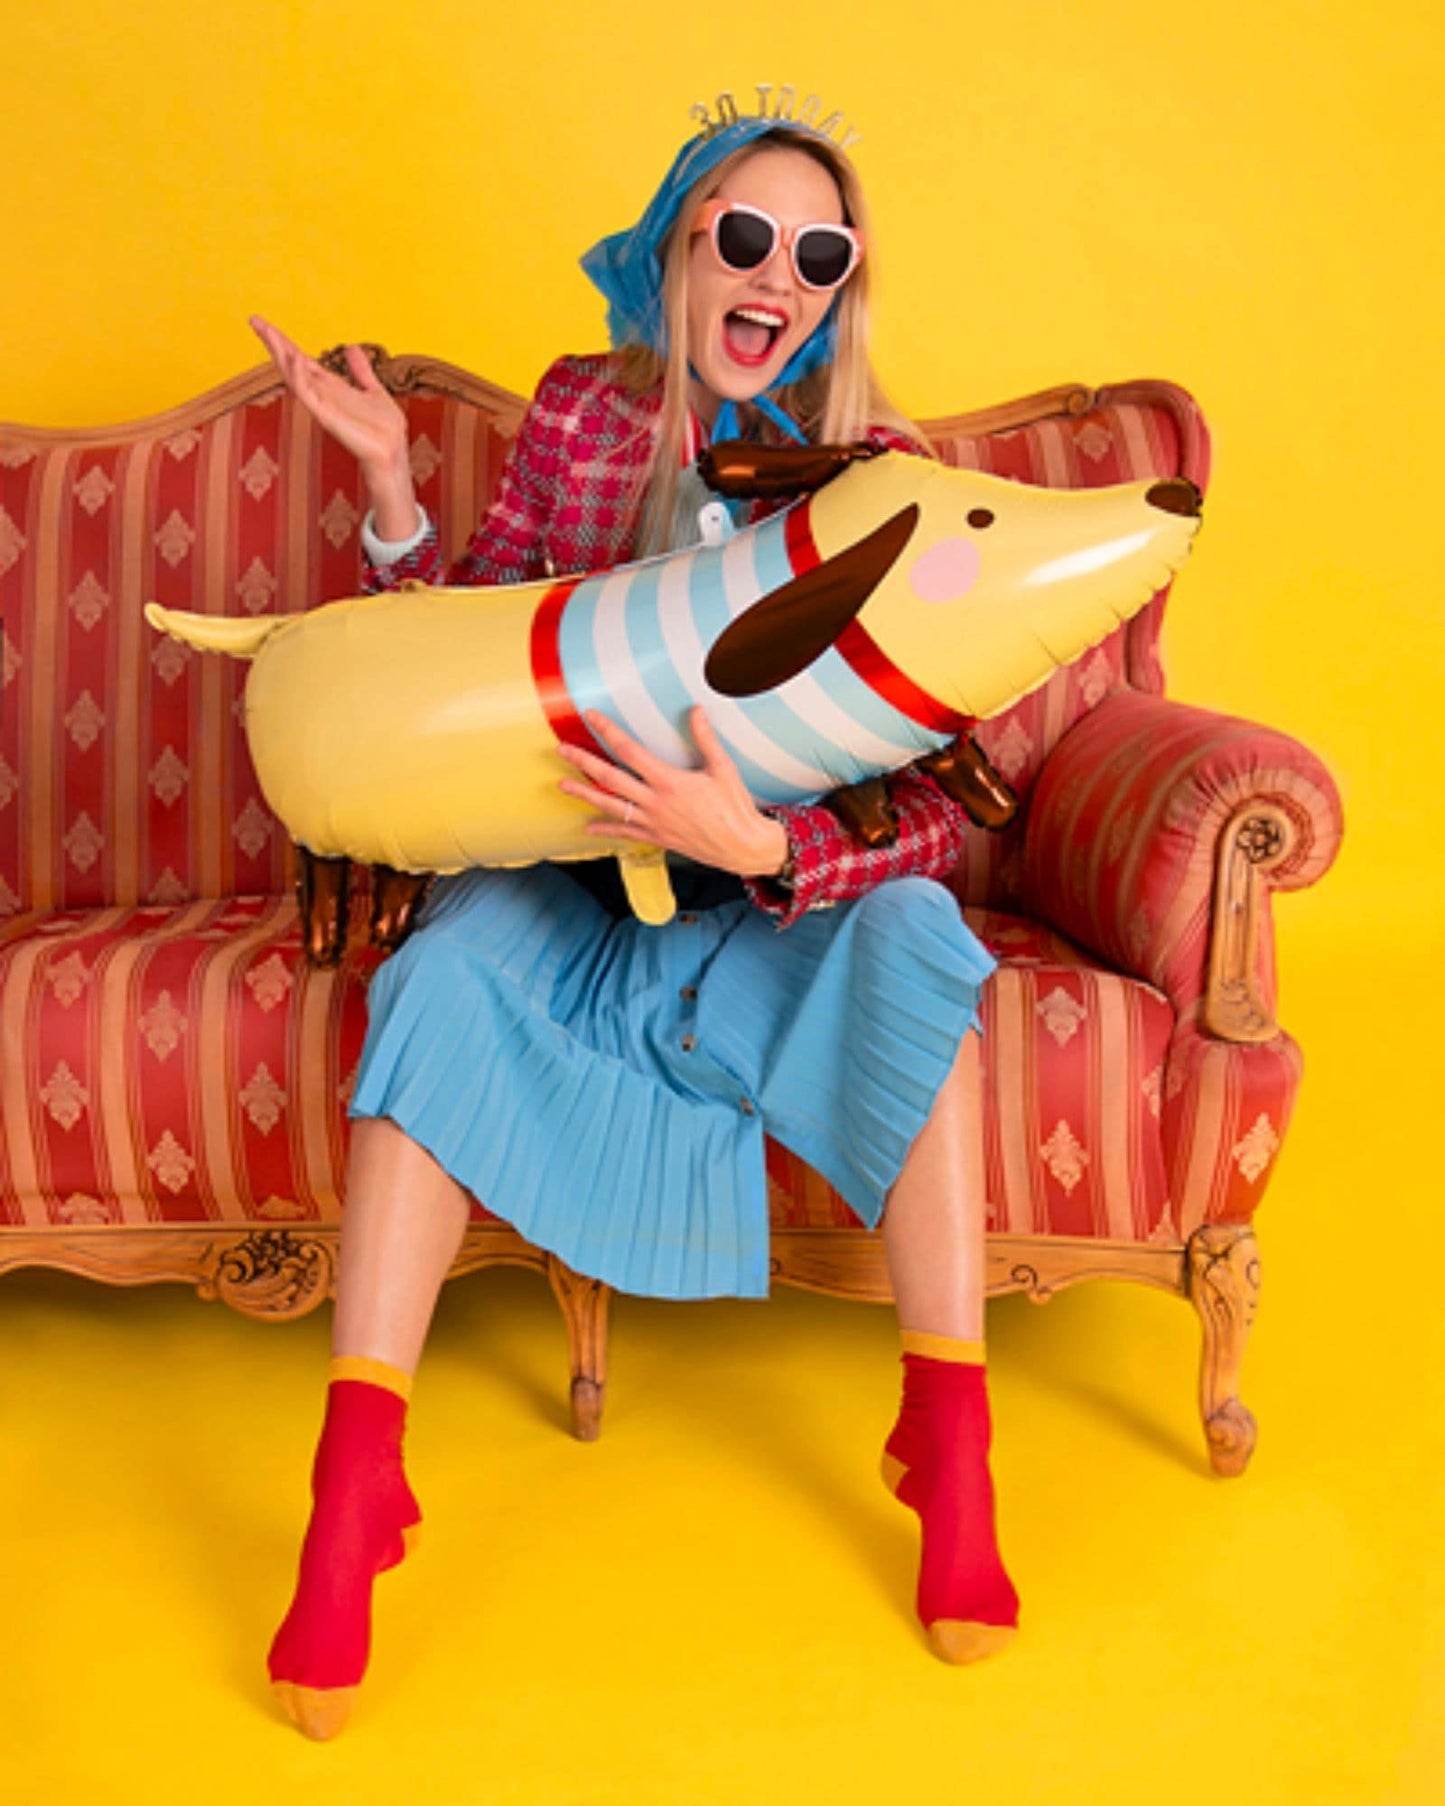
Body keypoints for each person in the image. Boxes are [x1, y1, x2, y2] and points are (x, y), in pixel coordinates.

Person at [252, 94, 1019, 1744]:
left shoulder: (881, 484)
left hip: (764, 899)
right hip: (566, 877)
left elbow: (951, 800)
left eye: (819, 254)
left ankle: (949, 1453)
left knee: (921, 952)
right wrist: (389, 485)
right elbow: (459, 659)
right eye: (741, 236)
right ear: (675, 250)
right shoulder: (578, 420)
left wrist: (758, 844)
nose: (779, 277)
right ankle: (352, 1490)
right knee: (439, 982)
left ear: (840, 285)